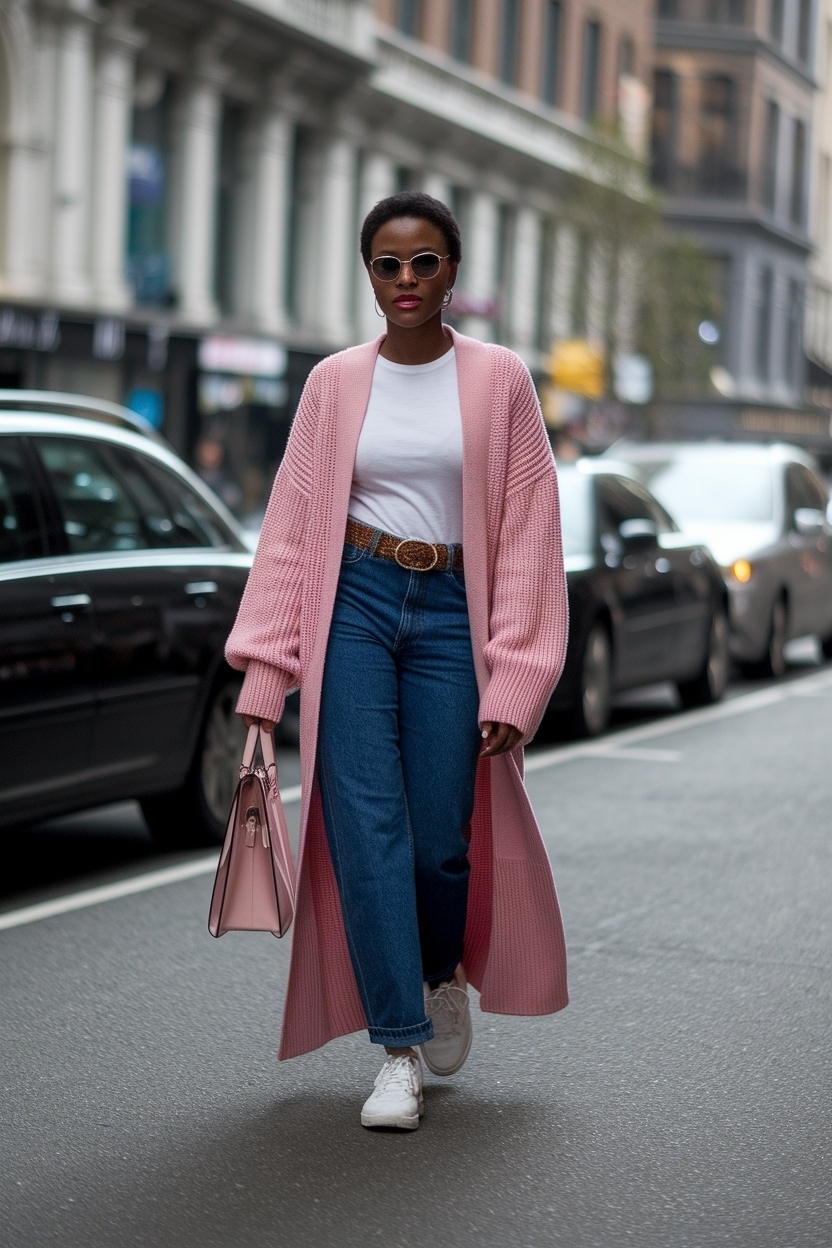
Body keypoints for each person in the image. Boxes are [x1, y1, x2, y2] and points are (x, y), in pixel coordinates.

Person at [225, 191, 570, 1131]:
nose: (407, 281)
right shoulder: (333, 384)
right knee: (366, 827)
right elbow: (293, 533)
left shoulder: (500, 381)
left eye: (424, 263)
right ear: (368, 273)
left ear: (453, 272)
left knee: (439, 841)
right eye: (388, 264)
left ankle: (437, 965)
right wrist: (266, 676)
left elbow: (534, 532)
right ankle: (397, 1048)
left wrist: (520, 674)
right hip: (359, 609)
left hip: (457, 614)